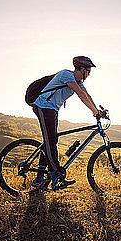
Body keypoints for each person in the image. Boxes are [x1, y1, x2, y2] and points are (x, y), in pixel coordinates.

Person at [31, 56, 102, 190]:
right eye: (88, 71)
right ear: (82, 70)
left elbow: (87, 95)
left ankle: (40, 177)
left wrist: (97, 110)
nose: (89, 75)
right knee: (51, 141)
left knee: (50, 141)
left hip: (52, 109)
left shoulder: (79, 82)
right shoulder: (66, 75)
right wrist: (94, 112)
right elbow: (80, 94)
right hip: (43, 106)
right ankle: (55, 175)